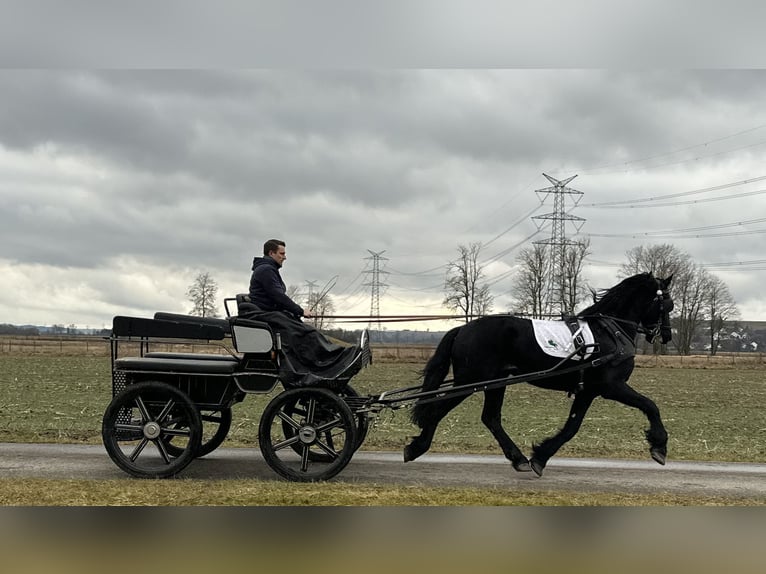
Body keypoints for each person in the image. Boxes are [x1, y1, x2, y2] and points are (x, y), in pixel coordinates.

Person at [249, 239, 313, 320]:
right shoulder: (266, 270)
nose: (285, 257)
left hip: (270, 314)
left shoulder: (268, 269)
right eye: (282, 254)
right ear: (271, 253)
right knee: (309, 332)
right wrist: (300, 311)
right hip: (267, 315)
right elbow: (278, 296)